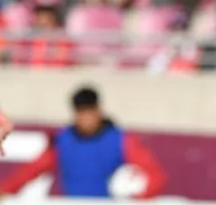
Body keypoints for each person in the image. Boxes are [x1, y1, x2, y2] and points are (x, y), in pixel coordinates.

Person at [0, 85, 166, 198]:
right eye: (80, 112)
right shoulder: (63, 140)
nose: (85, 118)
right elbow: (32, 169)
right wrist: (5, 191)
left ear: (99, 110)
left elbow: (155, 175)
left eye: (89, 111)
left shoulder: (121, 140)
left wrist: (139, 200)